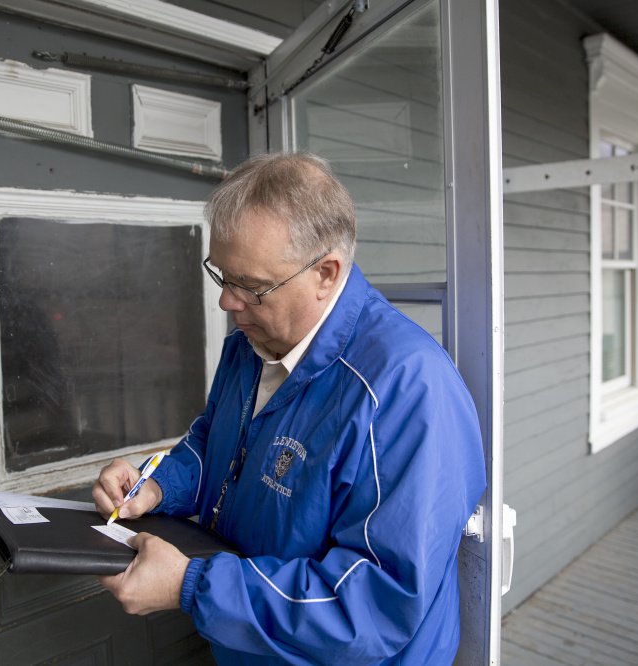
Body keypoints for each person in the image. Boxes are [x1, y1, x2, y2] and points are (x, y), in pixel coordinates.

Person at [92, 151, 486, 664]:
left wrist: (191, 586)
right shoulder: (250, 344)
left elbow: (374, 606)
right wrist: (157, 484)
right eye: (222, 276)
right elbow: (214, 441)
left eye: (251, 286)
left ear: (326, 273)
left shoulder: (407, 389)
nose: (227, 304)